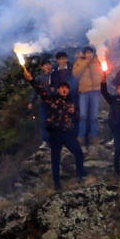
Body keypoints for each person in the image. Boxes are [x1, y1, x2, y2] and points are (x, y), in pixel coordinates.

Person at [24, 62, 85, 191]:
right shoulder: (52, 99)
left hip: (68, 133)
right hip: (55, 133)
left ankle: (80, 176)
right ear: (58, 89)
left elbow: (77, 119)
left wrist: (74, 114)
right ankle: (57, 184)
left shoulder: (71, 103)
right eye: (62, 88)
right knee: (55, 159)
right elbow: (40, 91)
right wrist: (32, 80)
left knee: (79, 153)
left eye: (66, 88)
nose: (64, 90)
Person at [73, 46, 105, 145]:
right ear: (84, 54)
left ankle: (94, 137)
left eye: (91, 53)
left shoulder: (97, 62)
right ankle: (81, 137)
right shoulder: (79, 63)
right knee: (83, 115)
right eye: (87, 53)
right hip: (84, 91)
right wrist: (86, 62)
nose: (89, 55)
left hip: (95, 91)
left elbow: (101, 74)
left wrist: (102, 79)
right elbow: (75, 74)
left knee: (94, 116)